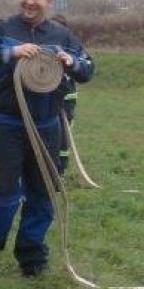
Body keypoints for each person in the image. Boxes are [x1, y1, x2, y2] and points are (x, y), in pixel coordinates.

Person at [0, 0, 94, 278]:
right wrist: (10, 52)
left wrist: (71, 62)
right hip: (7, 125)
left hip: (47, 126)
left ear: (48, 1)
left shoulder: (62, 36)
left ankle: (32, 257)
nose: (30, 1)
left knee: (43, 193)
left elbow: (88, 68)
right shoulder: (1, 29)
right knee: (2, 196)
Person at [50, 13, 92, 174]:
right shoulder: (42, 44)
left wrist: (72, 63)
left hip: (66, 101)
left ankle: (60, 170)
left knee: (63, 138)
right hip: (45, 101)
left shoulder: (71, 45)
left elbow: (85, 68)